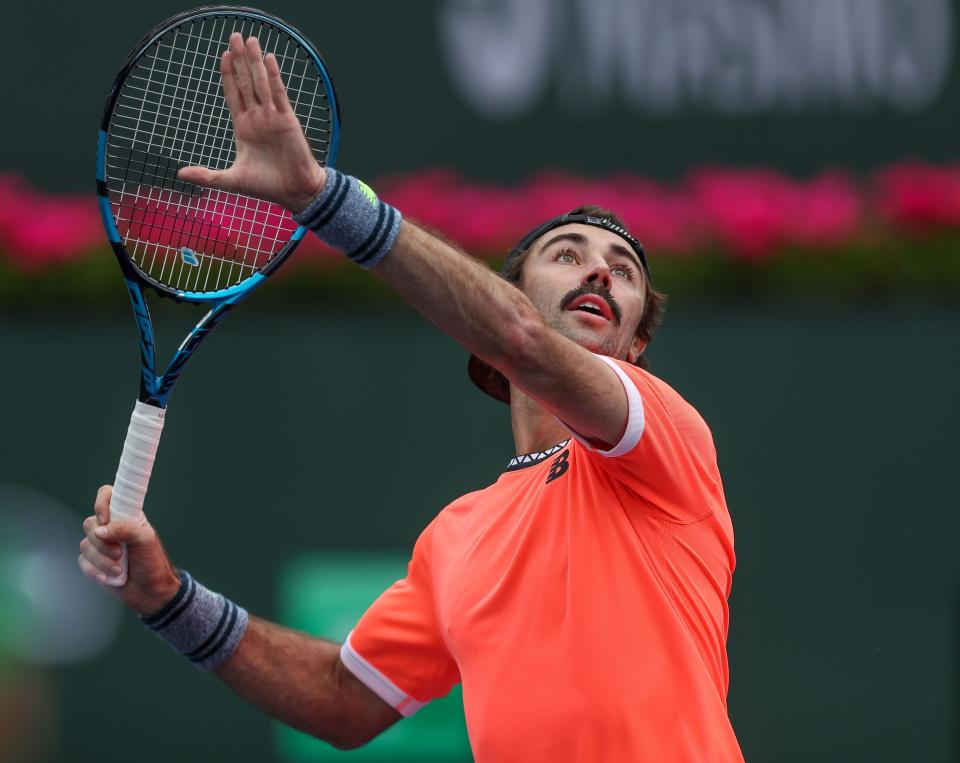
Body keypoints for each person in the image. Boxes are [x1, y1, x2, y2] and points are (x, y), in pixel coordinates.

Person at [78, 32, 744, 762]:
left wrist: (322, 198)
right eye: (568, 255)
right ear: (508, 292)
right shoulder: (457, 538)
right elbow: (341, 698)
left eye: (623, 270)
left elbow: (521, 338)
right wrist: (169, 599)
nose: (599, 274)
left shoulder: (665, 442)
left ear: (637, 348)